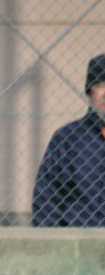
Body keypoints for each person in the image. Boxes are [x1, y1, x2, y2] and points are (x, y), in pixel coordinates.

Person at [32, 53, 105, 226]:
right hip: (80, 237)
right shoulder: (68, 138)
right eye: (100, 86)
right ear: (90, 93)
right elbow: (46, 198)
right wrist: (53, 239)